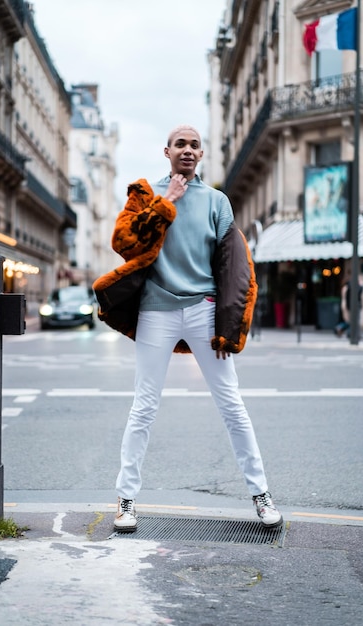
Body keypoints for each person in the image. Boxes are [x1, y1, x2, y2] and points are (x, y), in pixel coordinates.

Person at [93, 125, 282, 532]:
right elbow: (123, 242)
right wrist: (166, 203)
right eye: (181, 144)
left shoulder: (217, 201)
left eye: (195, 145)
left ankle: (262, 496)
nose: (188, 150)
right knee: (144, 406)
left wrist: (229, 324)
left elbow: (235, 267)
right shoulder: (145, 194)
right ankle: (126, 501)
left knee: (232, 404)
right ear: (167, 151)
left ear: (202, 153)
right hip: (157, 311)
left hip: (203, 310)